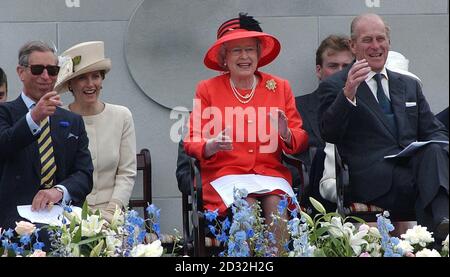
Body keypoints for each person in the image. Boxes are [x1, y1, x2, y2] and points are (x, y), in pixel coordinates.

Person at [318, 13, 449, 240]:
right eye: (367, 40)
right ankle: (439, 238)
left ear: (389, 43)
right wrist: (348, 94)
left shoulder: (408, 84)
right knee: (430, 183)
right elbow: (328, 132)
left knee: (435, 150)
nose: (376, 46)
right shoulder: (337, 85)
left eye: (381, 39)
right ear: (353, 45)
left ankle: (441, 227)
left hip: (412, 171)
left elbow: (434, 130)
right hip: (372, 179)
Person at [184, 13, 308, 251]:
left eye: (250, 49)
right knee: (247, 209)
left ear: (259, 54)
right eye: (236, 50)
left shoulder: (280, 87)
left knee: (277, 209)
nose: (244, 56)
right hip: (227, 176)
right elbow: (192, 140)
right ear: (224, 57)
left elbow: (300, 140)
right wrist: (210, 145)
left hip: (270, 175)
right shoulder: (207, 89)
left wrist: (285, 134)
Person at [0, 41, 93, 229]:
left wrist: (59, 191)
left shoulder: (72, 121)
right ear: (21, 72)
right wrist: (34, 118)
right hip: (14, 223)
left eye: (52, 70)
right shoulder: (5, 112)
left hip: (61, 221)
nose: (45, 76)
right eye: (37, 69)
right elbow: (4, 144)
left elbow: (84, 173)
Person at [54, 41, 136, 222]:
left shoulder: (122, 116)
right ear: (70, 84)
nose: (90, 84)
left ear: (102, 80)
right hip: (68, 215)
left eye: (96, 76)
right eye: (82, 77)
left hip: (114, 214)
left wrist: (112, 211)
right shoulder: (58, 118)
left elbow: (126, 172)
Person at [294, 35, 353, 210]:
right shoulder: (297, 106)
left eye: (346, 67)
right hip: (312, 195)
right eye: (333, 66)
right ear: (319, 70)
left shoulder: (367, 107)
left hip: (357, 186)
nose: (340, 72)